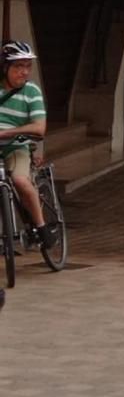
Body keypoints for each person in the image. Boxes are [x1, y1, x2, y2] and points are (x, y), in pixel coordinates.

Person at [0, 41, 51, 248]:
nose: (24, 72)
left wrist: (7, 133)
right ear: (5, 67)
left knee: (20, 181)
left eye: (27, 66)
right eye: (18, 66)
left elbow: (39, 128)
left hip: (16, 146)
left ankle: (41, 228)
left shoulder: (31, 91)